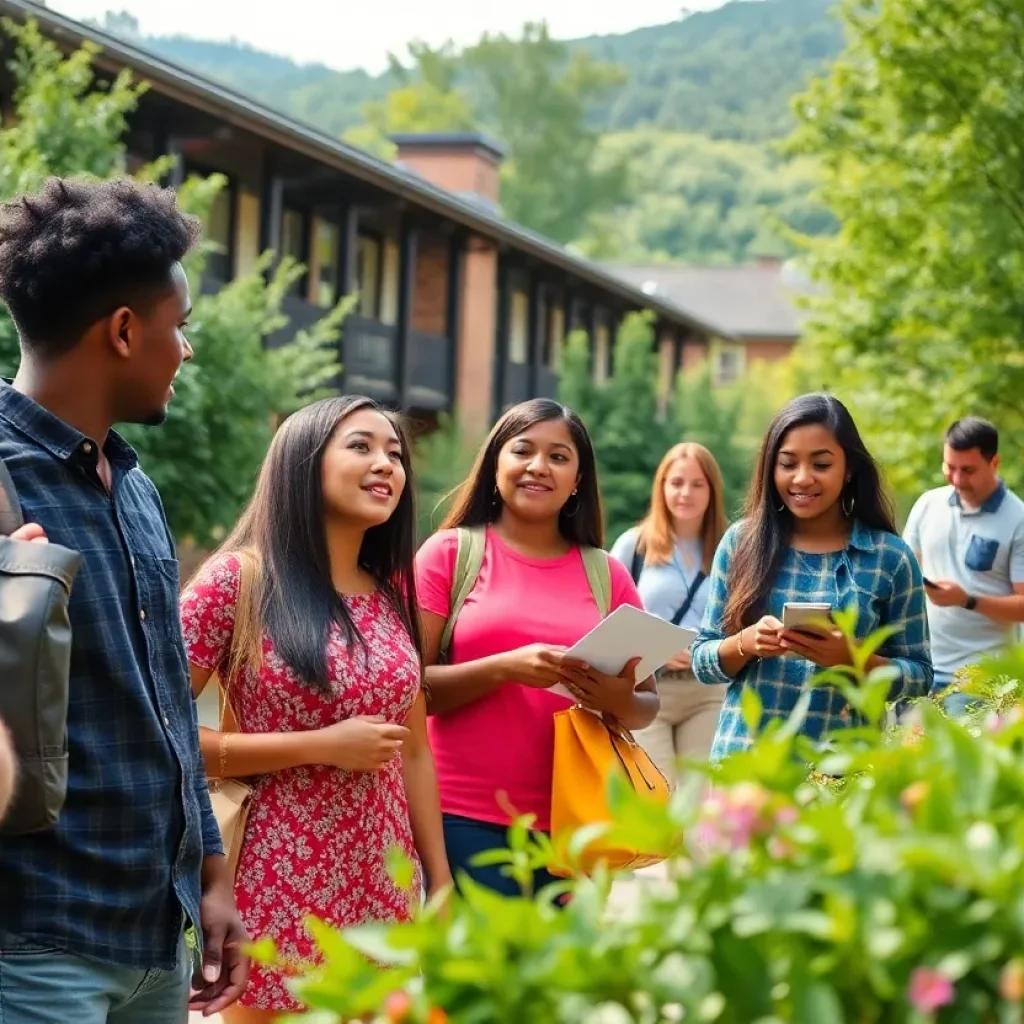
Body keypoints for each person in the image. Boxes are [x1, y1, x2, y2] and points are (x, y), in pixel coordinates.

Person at [0, 177, 246, 1022]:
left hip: (157, 939)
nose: (185, 351)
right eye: (180, 329)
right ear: (125, 330)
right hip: (33, 943)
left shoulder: (134, 487)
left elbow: (166, 707)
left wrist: (211, 876)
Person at [180, 395, 451, 1022]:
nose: (386, 463)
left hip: (382, 883)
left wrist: (437, 878)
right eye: (361, 446)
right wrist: (318, 744)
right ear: (304, 461)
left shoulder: (388, 596)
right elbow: (154, 732)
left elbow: (413, 749)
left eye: (395, 453)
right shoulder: (236, 582)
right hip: (274, 878)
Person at [415, 397, 659, 895]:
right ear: (495, 463)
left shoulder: (605, 573)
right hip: (461, 818)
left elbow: (646, 705)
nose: (538, 467)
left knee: (561, 975)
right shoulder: (449, 554)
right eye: (523, 450)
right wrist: (503, 669)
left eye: (559, 457)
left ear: (578, 480)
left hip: (578, 825)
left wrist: (612, 697)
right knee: (474, 973)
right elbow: (407, 691)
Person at [691, 393, 932, 759]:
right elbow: (703, 661)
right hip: (746, 766)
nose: (802, 478)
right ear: (771, 467)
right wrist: (745, 642)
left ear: (848, 468)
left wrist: (852, 657)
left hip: (844, 774)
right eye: (788, 464)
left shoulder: (890, 557)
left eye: (821, 464)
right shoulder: (741, 542)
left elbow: (919, 677)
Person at [610, 442, 729, 783]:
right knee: (657, 794)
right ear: (661, 487)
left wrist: (704, 650)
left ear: (712, 490)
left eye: (697, 484)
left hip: (708, 690)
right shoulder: (635, 545)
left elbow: (741, 617)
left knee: (699, 804)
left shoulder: (730, 548)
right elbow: (608, 617)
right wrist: (657, 648)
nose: (685, 493)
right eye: (676, 482)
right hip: (648, 690)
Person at [903, 417, 1024, 712]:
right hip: (920, 671)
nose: (956, 479)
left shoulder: (1018, 519)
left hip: (982, 681)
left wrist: (966, 600)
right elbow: (903, 574)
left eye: (967, 470)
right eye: (949, 467)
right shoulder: (927, 505)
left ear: (994, 462)